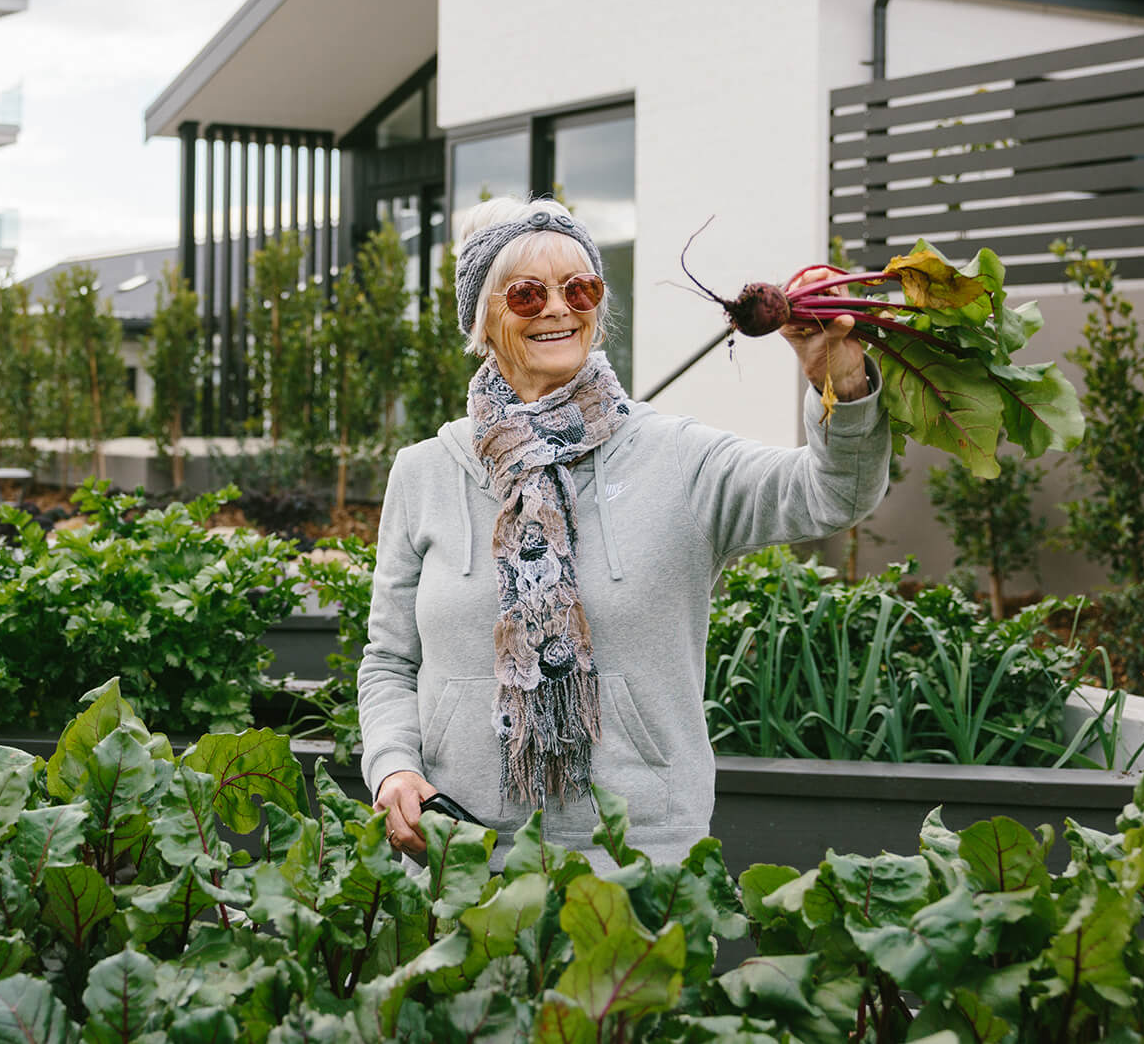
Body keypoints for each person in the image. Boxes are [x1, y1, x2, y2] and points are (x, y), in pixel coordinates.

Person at [359, 197, 889, 869]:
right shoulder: (426, 473)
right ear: (482, 322)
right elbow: (389, 662)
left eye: (579, 288)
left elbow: (831, 493)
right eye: (526, 295)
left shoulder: (677, 458)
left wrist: (838, 385)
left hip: (637, 853)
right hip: (460, 849)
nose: (558, 308)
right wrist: (393, 768)